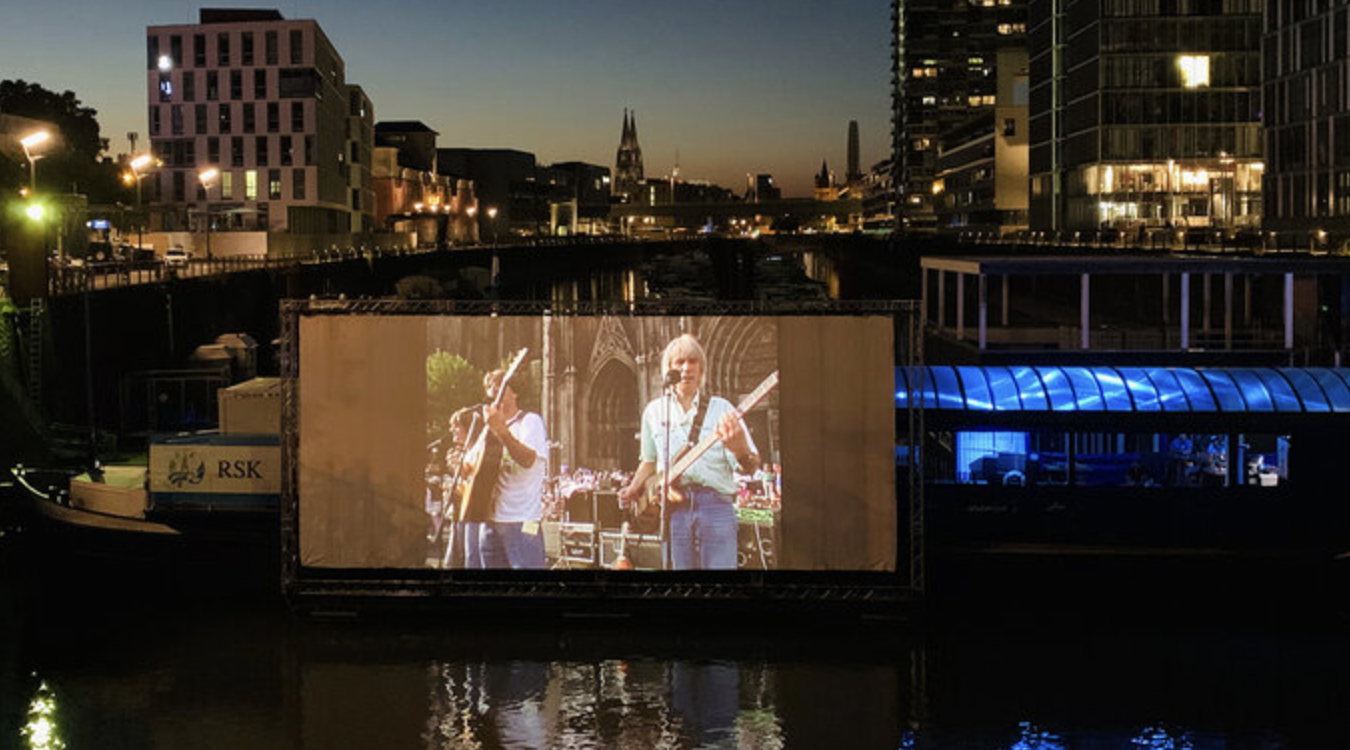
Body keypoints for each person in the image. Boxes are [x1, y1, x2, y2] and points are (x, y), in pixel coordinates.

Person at [619, 334, 761, 570]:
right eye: (679, 362)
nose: (686, 368)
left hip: (715, 506)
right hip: (673, 511)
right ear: (668, 369)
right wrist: (633, 489)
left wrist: (740, 448)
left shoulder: (723, 409)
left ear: (702, 369)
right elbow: (649, 461)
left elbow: (752, 465)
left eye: (693, 362)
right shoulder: (654, 412)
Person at [473, 368, 549, 569]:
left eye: (499, 383)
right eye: (489, 385)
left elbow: (528, 460)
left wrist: (502, 431)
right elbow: (477, 471)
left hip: (522, 523)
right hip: (489, 523)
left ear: (515, 393)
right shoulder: (486, 430)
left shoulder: (530, 421)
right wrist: (462, 467)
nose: (492, 389)